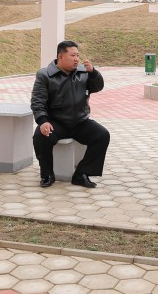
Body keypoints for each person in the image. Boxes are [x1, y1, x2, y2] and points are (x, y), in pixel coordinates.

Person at [31, 41, 110, 189]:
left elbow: (98, 86)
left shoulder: (83, 72)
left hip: (80, 122)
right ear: (60, 56)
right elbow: (37, 101)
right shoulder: (44, 75)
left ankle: (81, 173)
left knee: (102, 135)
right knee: (40, 137)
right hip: (56, 122)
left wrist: (93, 73)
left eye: (78, 55)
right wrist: (43, 121)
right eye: (72, 55)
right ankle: (47, 174)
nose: (76, 59)